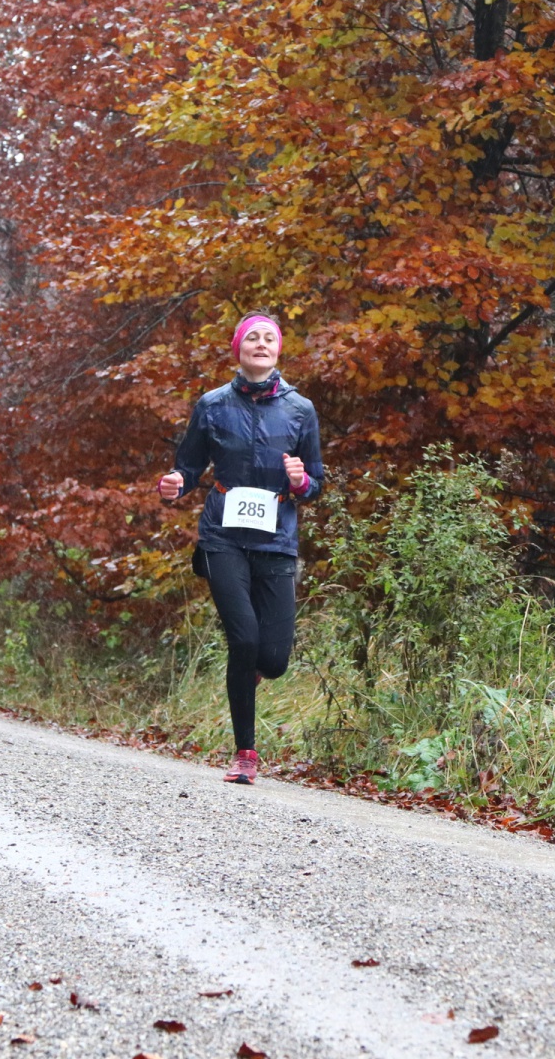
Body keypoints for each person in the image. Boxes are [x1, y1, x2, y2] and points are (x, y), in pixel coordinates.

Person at [156, 313, 323, 785]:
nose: (261, 343)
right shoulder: (212, 405)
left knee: (274, 660)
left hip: (276, 539)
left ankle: (246, 674)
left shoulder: (300, 409)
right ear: (238, 348)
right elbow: (188, 467)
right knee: (244, 640)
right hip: (222, 537)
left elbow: (316, 482)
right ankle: (245, 754)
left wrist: (301, 482)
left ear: (279, 349)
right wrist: (176, 482)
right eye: (253, 337)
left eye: (270, 338)